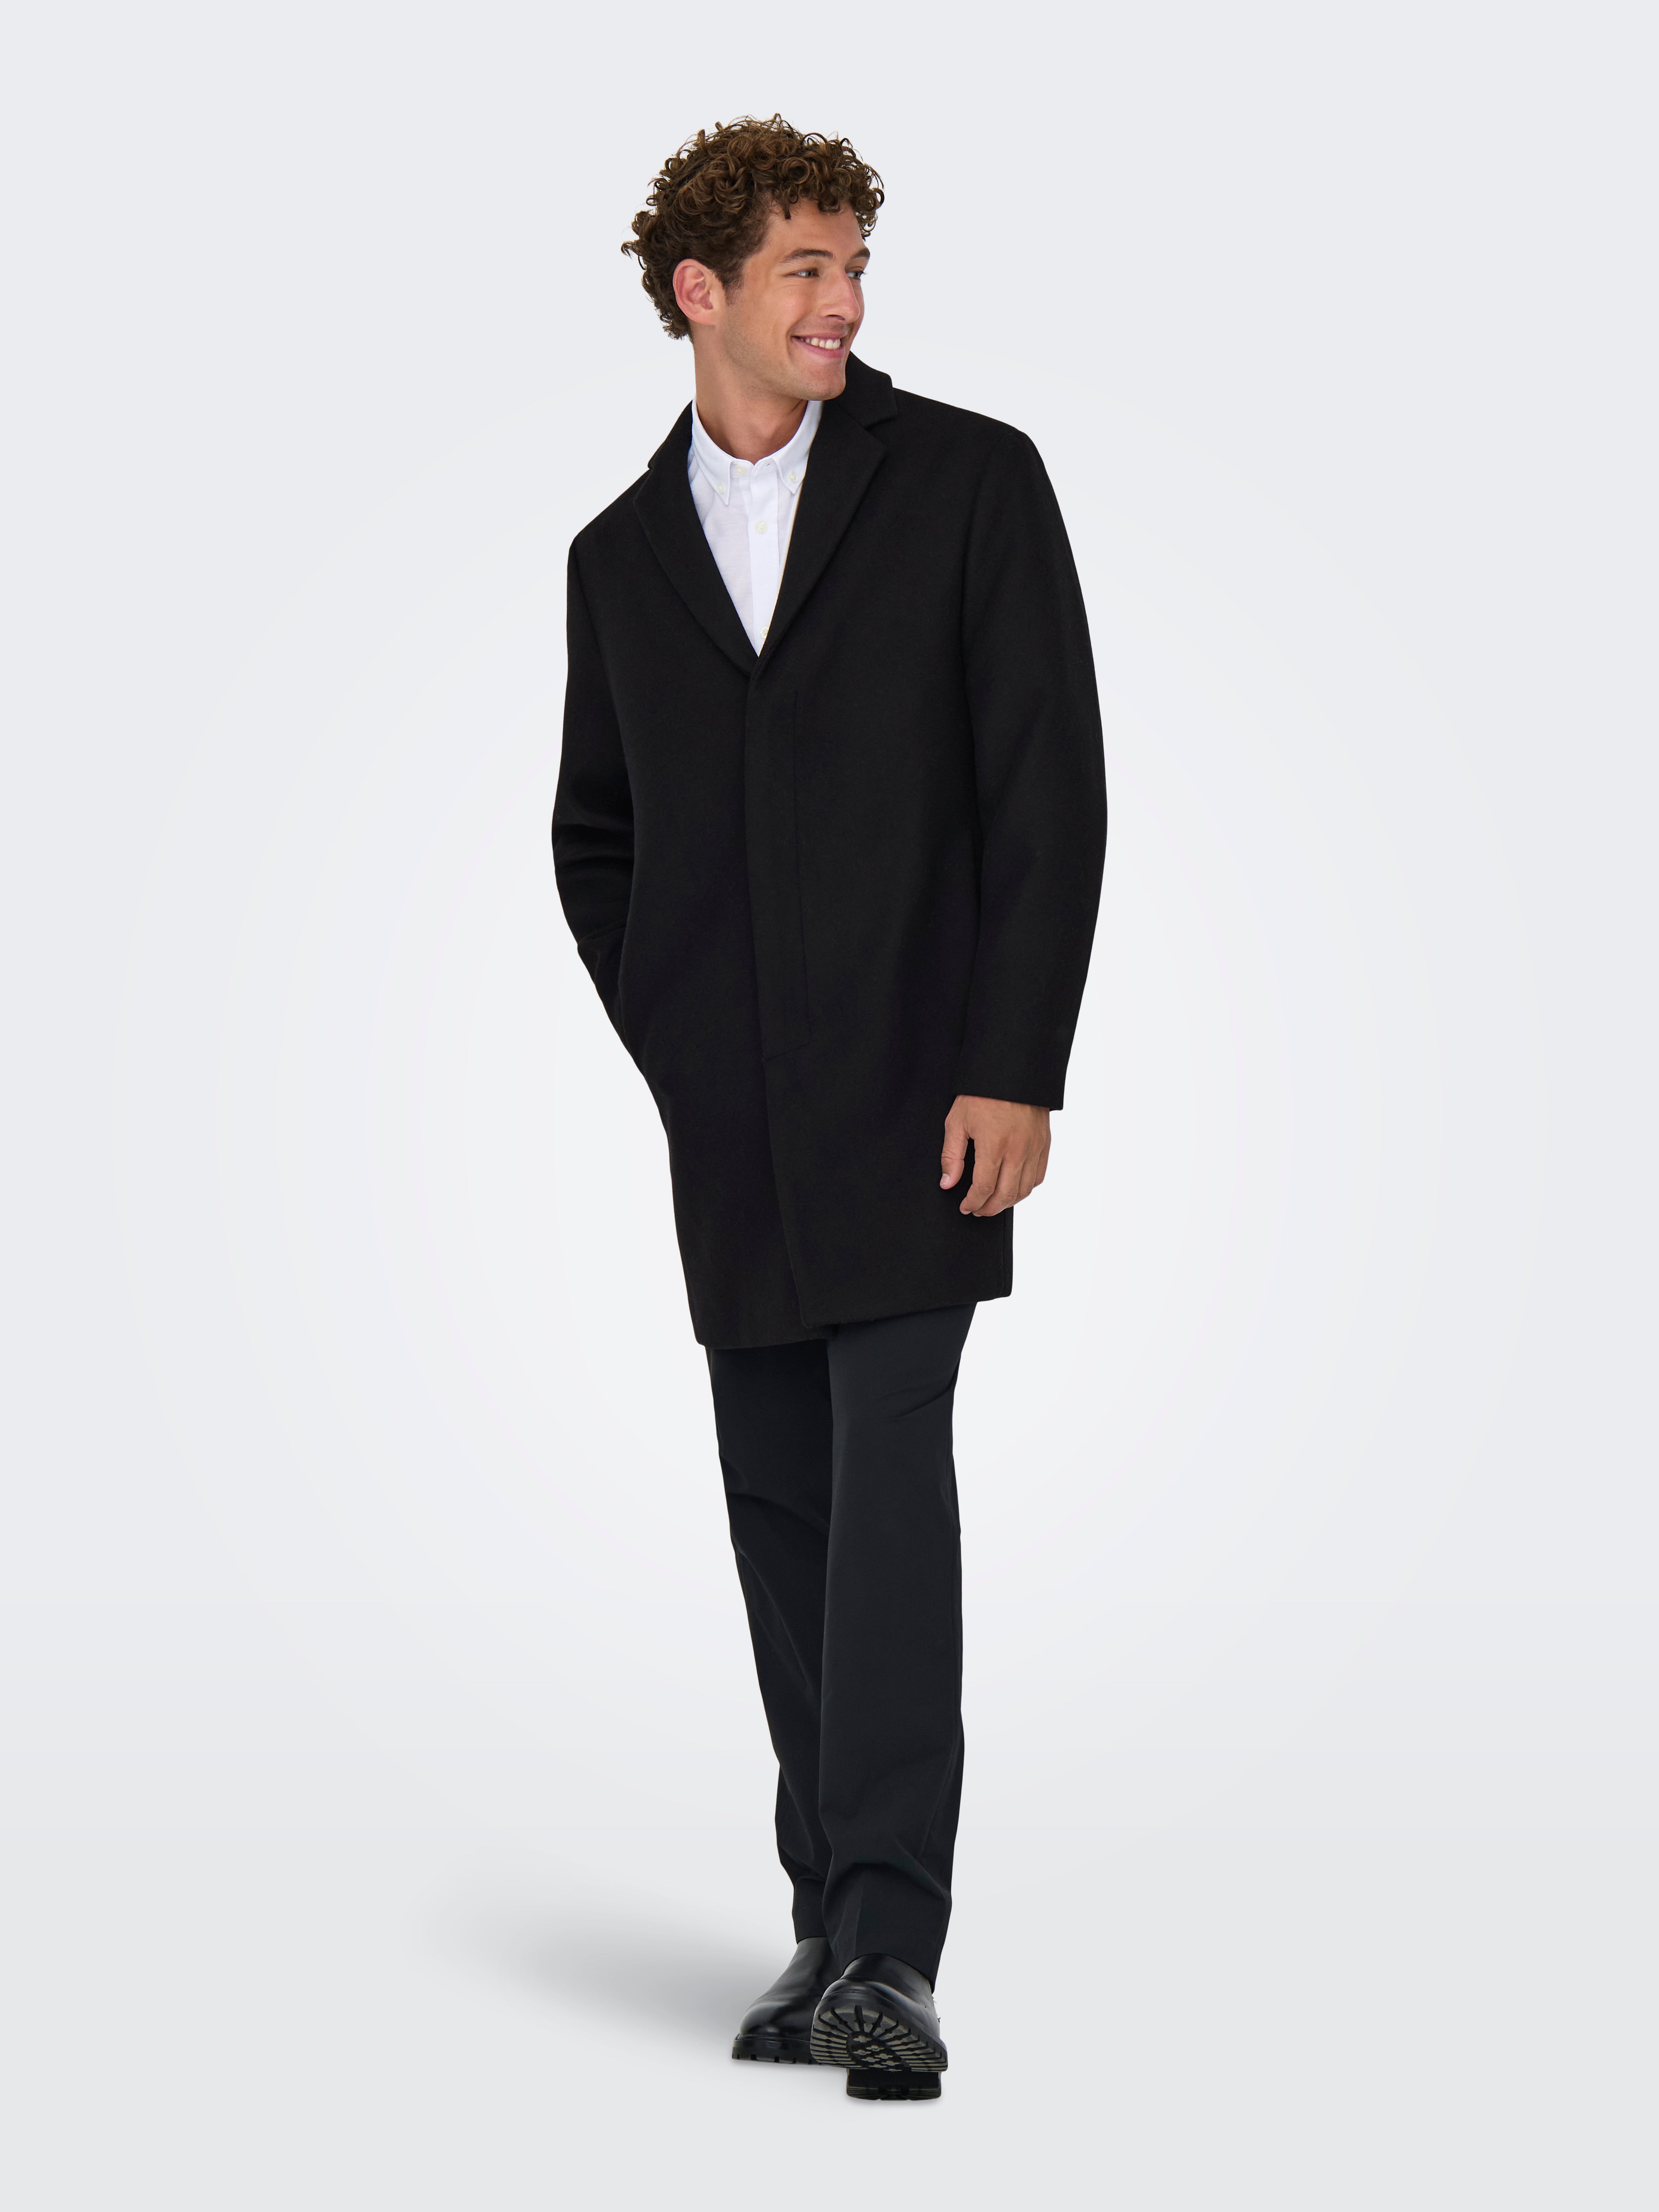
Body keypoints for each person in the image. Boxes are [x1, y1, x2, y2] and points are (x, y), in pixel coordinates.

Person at [552, 115, 1106, 2101]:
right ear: (700, 291)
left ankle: (890, 1937)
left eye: (856, 265)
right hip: (738, 1126)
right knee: (781, 1499)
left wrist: (1015, 1061)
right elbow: (597, 836)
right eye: (808, 267)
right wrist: (684, 1044)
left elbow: (1048, 785)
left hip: (921, 1092)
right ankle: (824, 1916)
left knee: (887, 1489)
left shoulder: (967, 482)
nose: (846, 303)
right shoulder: (618, 558)